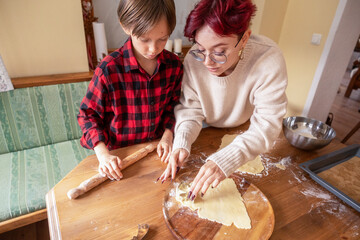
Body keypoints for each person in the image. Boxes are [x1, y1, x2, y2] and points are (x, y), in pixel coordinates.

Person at [159, 0, 287, 200]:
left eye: (219, 52)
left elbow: (266, 125)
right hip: (205, 132)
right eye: (201, 48)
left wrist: (226, 160)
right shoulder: (195, 59)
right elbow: (191, 110)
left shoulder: (268, 59)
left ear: (244, 39)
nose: (208, 61)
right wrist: (182, 141)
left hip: (245, 132)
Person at [78, 0, 183, 181]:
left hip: (157, 154)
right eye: (144, 39)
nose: (153, 49)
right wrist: (103, 155)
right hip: (119, 159)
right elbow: (88, 115)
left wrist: (168, 135)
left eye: (162, 39)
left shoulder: (174, 65)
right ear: (126, 26)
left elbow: (175, 106)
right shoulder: (108, 70)